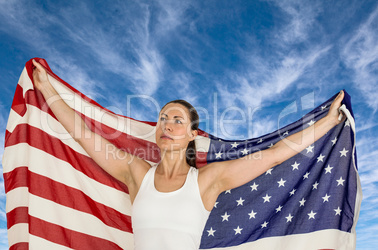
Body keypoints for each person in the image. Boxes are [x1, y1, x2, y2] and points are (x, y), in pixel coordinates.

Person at [32, 59, 345, 250]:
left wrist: (328, 122)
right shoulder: (136, 173)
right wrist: (47, 89)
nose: (167, 125)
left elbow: (275, 155)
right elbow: (84, 135)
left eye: (177, 120)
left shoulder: (207, 180)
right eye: (163, 119)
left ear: (193, 135)